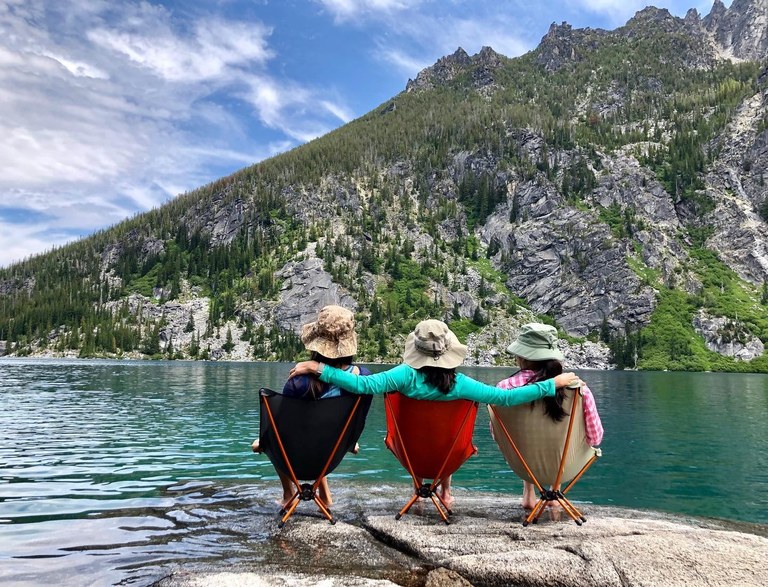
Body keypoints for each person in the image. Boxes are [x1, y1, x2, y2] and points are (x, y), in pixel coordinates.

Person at [288, 319, 579, 508]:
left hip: (410, 456)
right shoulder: (461, 384)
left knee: (418, 435)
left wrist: (317, 368)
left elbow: (362, 385)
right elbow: (505, 398)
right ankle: (445, 491)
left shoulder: (402, 376)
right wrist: (551, 384)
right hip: (448, 458)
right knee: (448, 439)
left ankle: (420, 487)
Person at [252, 305, 370, 509]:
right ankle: (325, 496)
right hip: (333, 454)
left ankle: (288, 493)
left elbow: (285, 429)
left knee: (271, 437)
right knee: (323, 436)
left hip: (294, 458)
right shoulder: (365, 378)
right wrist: (350, 442)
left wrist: (263, 441)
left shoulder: (299, 382)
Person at [497, 322, 603, 510]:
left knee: (524, 440)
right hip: (565, 468)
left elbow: (498, 434)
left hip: (523, 466)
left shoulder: (504, 388)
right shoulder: (579, 390)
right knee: (566, 441)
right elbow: (595, 437)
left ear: (521, 356)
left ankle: (529, 493)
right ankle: (555, 493)